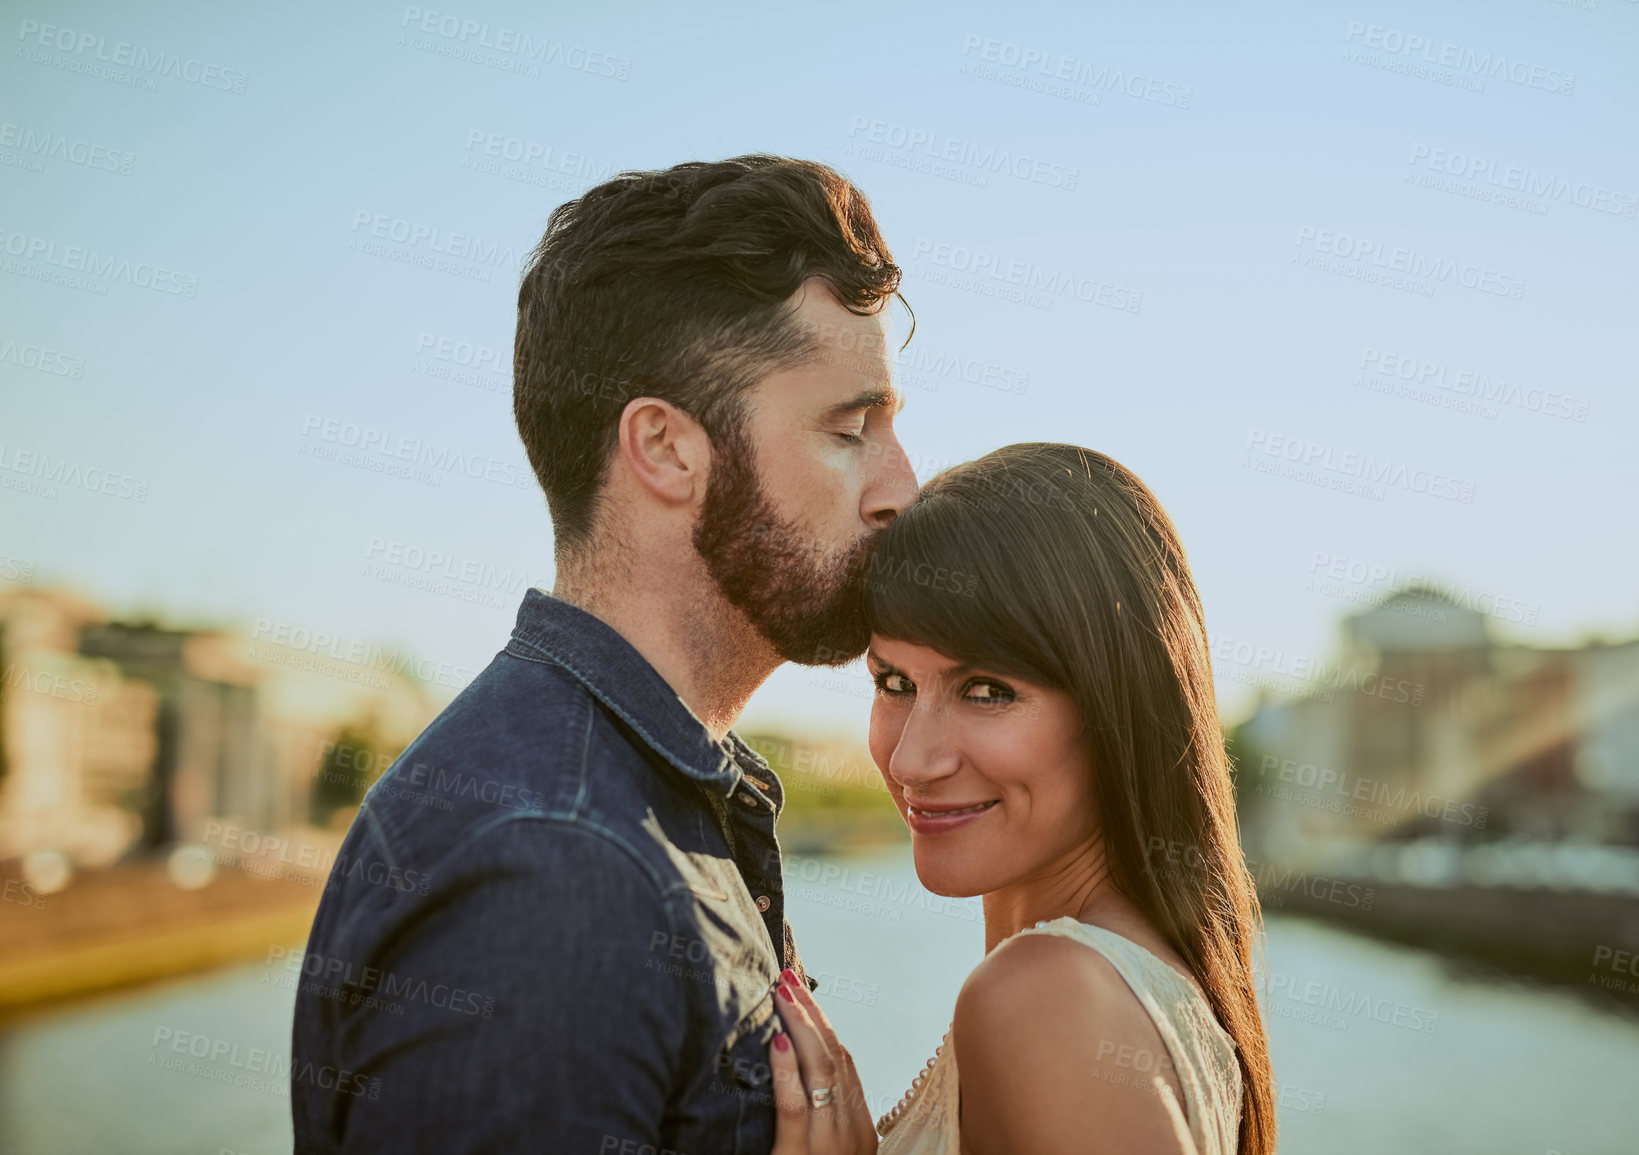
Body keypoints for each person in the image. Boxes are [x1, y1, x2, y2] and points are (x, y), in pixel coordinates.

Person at [290, 155, 918, 1153]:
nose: (901, 489)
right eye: (851, 431)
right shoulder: (555, 872)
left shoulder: (637, 806)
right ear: (667, 449)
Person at [770, 443, 1275, 1155]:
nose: (912, 758)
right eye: (893, 683)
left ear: (1114, 707)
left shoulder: (1046, 1000)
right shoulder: (1137, 984)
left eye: (986, 691)